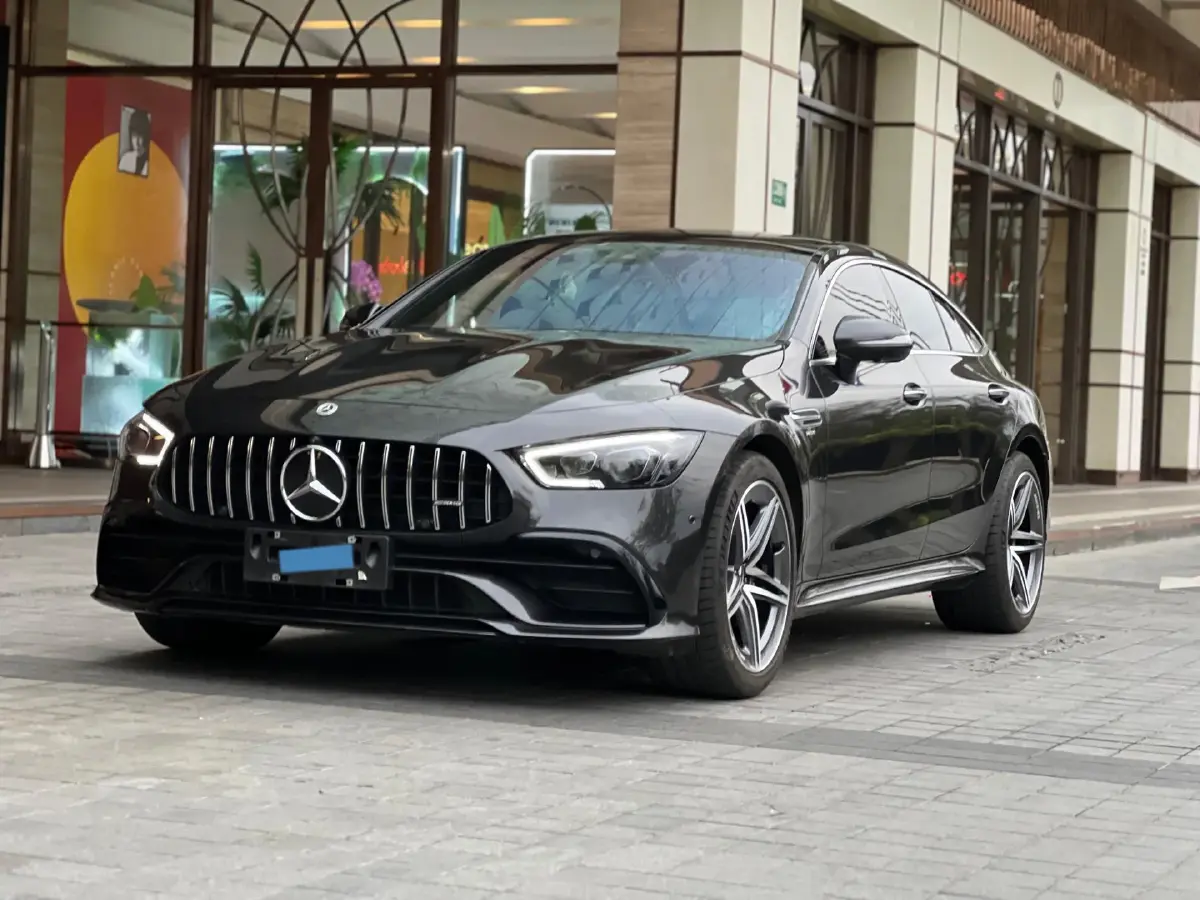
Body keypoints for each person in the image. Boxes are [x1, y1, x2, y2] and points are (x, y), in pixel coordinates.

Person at [118, 109, 150, 176]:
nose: (137, 143)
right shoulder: (125, 159)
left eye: (140, 136)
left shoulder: (151, 164)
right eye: (134, 136)